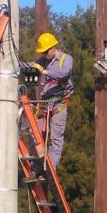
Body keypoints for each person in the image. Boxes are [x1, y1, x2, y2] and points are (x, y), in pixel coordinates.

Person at [30, 32, 74, 170]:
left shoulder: (66, 59)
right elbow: (31, 66)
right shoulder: (43, 61)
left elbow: (63, 73)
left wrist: (45, 72)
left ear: (52, 48)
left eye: (44, 51)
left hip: (58, 103)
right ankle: (37, 167)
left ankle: (50, 168)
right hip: (44, 104)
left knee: (55, 138)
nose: (43, 54)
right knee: (35, 135)